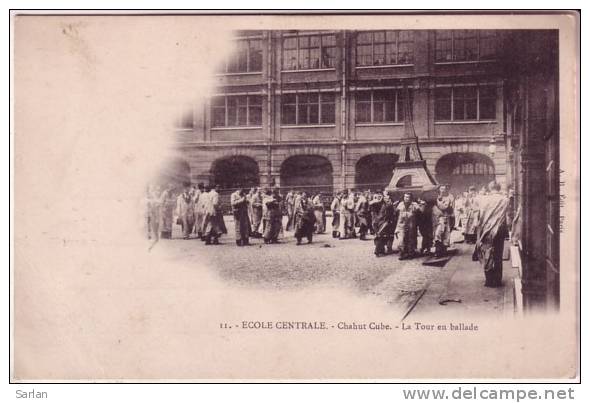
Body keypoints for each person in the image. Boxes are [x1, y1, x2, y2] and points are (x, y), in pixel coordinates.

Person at [474, 181, 510, 287]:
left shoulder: (484, 199)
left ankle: (489, 280)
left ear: (490, 188)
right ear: (499, 188)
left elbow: (479, 215)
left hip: (487, 230)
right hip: (499, 229)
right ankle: (498, 280)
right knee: (498, 254)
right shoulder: (505, 200)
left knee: (487, 253)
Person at [395, 192, 423, 260]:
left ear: (411, 198)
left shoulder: (414, 204)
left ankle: (411, 253)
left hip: (411, 225)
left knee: (411, 240)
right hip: (401, 225)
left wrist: (422, 204)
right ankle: (402, 253)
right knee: (401, 240)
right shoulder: (400, 204)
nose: (406, 198)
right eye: (405, 197)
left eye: (408, 197)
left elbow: (421, 211)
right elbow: (396, 212)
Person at [372, 191, 397, 257]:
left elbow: (392, 214)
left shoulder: (389, 205)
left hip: (386, 222)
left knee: (383, 235)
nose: (387, 199)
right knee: (380, 235)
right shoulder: (380, 204)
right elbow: (372, 205)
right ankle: (379, 250)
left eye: (388, 198)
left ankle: (379, 250)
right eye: (385, 198)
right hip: (380, 222)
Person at [432, 184, 455, 257]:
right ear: (439, 189)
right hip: (436, 218)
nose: (442, 190)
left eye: (444, 189)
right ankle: (438, 250)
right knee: (437, 233)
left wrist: (437, 203)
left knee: (445, 233)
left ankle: (443, 250)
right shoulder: (435, 197)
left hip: (445, 217)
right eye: (441, 189)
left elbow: (445, 207)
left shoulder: (447, 198)